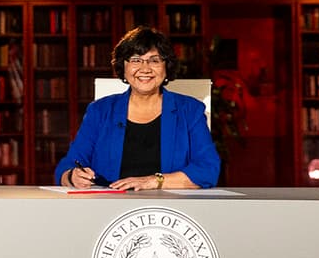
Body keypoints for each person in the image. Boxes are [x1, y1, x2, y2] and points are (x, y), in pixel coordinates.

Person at [55, 26, 220, 190]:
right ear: (123, 66)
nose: (145, 68)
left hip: (171, 209)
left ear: (166, 67)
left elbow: (208, 169)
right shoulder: (99, 110)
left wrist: (154, 181)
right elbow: (68, 165)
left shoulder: (190, 111)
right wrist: (72, 176)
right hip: (108, 207)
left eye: (154, 60)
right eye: (135, 60)